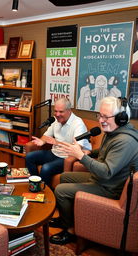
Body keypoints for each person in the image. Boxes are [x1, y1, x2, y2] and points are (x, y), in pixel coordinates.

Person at [50, 96, 138, 245]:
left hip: (110, 187)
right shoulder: (114, 132)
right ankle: (67, 219)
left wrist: (80, 156)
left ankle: (70, 230)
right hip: (103, 180)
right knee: (64, 177)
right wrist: (91, 153)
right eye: (100, 115)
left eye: (105, 116)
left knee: (60, 190)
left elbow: (106, 171)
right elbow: (106, 152)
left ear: (121, 118)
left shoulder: (125, 141)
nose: (101, 120)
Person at [25, 98, 91, 188]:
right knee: (29, 157)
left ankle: (45, 193)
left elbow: (76, 148)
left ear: (69, 111)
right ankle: (36, 184)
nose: (57, 114)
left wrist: (56, 142)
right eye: (55, 111)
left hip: (67, 157)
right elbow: (47, 135)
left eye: (61, 112)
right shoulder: (57, 120)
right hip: (54, 153)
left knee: (46, 168)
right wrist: (42, 141)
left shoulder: (78, 124)